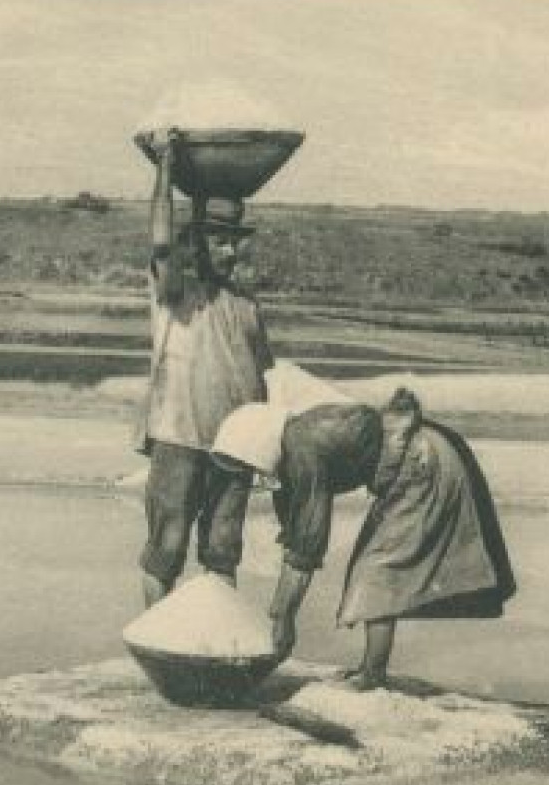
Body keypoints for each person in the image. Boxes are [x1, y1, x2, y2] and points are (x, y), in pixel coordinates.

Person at [211, 388, 517, 690]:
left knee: (377, 569)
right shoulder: (294, 438)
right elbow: (295, 529)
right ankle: (372, 668)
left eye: (248, 467)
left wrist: (282, 617)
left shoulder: (302, 448)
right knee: (374, 566)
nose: (251, 476)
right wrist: (281, 609)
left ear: (258, 447)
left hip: (425, 463)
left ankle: (373, 673)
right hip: (414, 462)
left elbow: (307, 542)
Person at [135, 129, 274, 608]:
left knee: (223, 552)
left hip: (235, 447)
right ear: (195, 241)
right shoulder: (176, 292)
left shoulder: (246, 305)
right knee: (166, 550)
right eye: (218, 240)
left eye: (235, 242)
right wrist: (166, 169)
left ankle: (216, 644)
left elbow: (267, 377)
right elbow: (158, 241)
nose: (230, 251)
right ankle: (156, 638)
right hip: (180, 438)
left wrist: (271, 445)